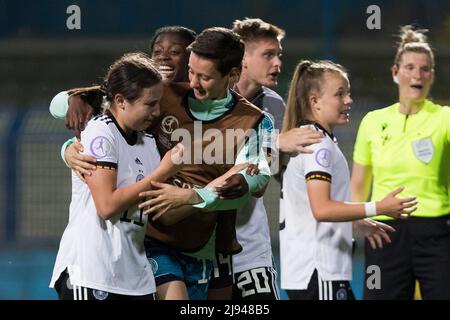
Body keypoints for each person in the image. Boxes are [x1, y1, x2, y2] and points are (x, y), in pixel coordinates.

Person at [51, 27, 272, 300]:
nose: (193, 83)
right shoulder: (162, 95)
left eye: (205, 77)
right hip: (151, 240)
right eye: (191, 72)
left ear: (233, 76)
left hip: (205, 244)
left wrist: (193, 196)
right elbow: (79, 111)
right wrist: (68, 149)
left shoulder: (255, 121)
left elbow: (257, 178)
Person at [279, 60, 417, 300]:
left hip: (314, 272)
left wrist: (356, 220)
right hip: (319, 271)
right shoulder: (318, 146)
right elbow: (321, 209)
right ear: (315, 101)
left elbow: (313, 206)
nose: (348, 100)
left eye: (348, 93)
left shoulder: (315, 139)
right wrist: (379, 207)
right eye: (339, 94)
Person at [49, 52, 182, 300]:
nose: (157, 111)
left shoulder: (148, 142)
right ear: (120, 101)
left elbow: (152, 208)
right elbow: (107, 206)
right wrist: (163, 173)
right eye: (150, 104)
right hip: (92, 273)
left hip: (134, 278)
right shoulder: (101, 132)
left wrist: (201, 197)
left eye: (158, 103)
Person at [210, 17, 322, 300]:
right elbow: (210, 159)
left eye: (279, 56)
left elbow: (271, 172)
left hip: (251, 241)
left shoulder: (273, 104)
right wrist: (277, 142)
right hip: (205, 239)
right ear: (243, 58)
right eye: (268, 55)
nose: (278, 64)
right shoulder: (208, 98)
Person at [351, 25, 450, 300]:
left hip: (437, 232)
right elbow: (359, 182)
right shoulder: (372, 121)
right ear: (395, 73)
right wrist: (359, 219)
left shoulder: (445, 118)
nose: (417, 74)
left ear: (432, 75)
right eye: (409, 67)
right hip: (385, 231)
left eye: (424, 68)